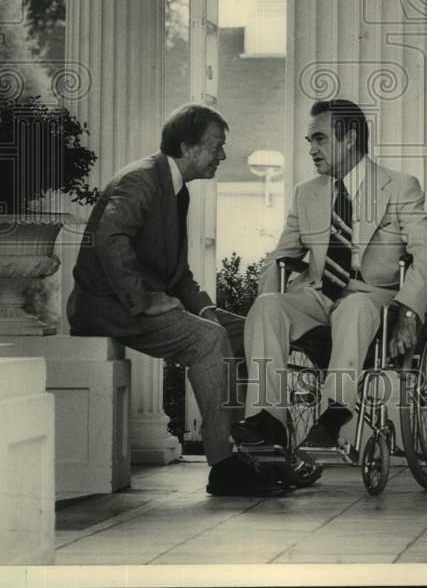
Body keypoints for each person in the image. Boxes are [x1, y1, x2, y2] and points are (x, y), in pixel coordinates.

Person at [66, 103, 282, 496]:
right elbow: (109, 240)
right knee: (208, 340)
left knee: (245, 330)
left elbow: (177, 274)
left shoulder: (174, 187)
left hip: (138, 302)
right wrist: (145, 299)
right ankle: (225, 467)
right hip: (109, 307)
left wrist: (205, 308)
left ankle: (259, 449)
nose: (223, 155)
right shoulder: (141, 180)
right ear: (188, 147)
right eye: (216, 146)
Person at [232, 98, 427, 458]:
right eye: (309, 142)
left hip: (373, 296)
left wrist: (410, 312)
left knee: (356, 306)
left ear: (349, 139)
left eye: (320, 139)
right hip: (318, 295)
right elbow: (281, 256)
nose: (312, 150)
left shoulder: (399, 186)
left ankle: (335, 414)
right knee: (269, 306)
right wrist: (265, 315)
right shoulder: (306, 194)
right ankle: (267, 418)